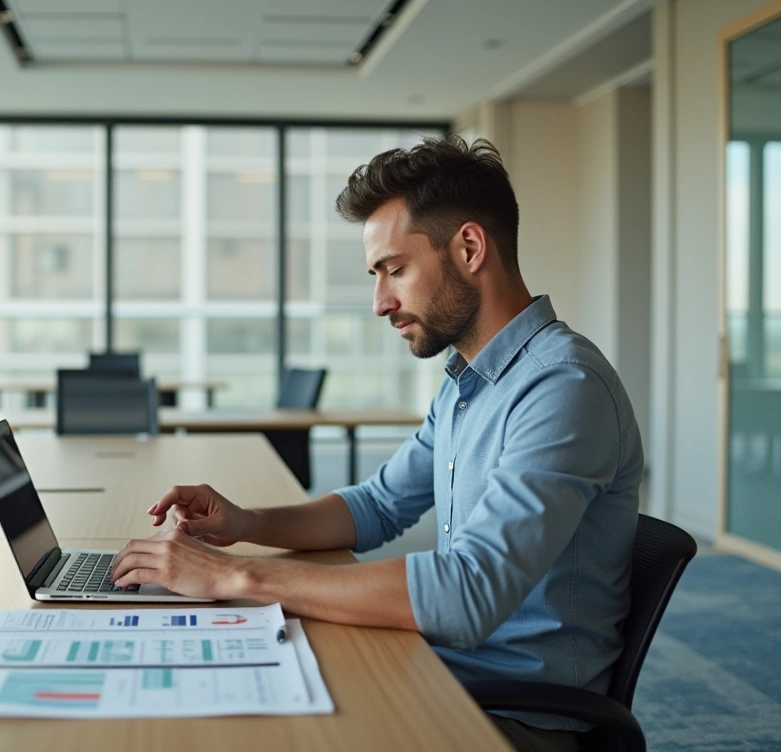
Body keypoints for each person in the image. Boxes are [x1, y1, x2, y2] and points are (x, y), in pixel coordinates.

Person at [109, 136, 643, 752]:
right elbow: (377, 508)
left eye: (395, 269)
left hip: (512, 716)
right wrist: (246, 522)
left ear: (470, 248)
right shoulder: (470, 383)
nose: (380, 303)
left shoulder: (561, 387)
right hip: (440, 668)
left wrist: (233, 577)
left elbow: (467, 593)